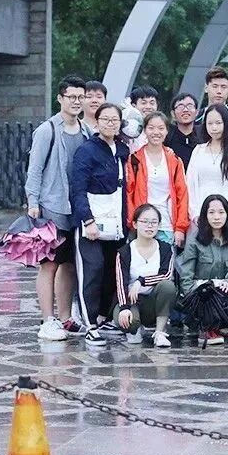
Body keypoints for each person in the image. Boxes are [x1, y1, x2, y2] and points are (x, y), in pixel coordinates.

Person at [25, 75, 94, 340]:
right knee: (49, 264)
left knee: (69, 265)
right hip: (52, 207)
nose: (76, 101)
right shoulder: (47, 130)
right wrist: (33, 203)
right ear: (60, 98)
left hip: (77, 209)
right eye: (71, 97)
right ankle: (47, 320)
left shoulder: (87, 131)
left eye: (80, 97)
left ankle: (66, 318)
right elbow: (34, 170)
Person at [70, 102, 130, 347]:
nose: (110, 123)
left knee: (111, 272)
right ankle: (89, 324)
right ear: (97, 122)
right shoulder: (87, 151)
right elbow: (78, 188)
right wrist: (88, 220)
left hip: (117, 225)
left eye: (115, 119)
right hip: (92, 225)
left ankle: (104, 318)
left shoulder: (122, 150)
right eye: (105, 119)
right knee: (91, 271)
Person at [176, 194, 228, 344]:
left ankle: (218, 325)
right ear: (205, 215)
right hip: (200, 296)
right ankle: (206, 329)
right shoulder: (195, 241)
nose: (217, 217)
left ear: (227, 215)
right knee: (209, 297)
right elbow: (186, 276)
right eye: (211, 212)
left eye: (221, 212)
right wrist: (198, 294)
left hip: (223, 295)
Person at [112, 203, 176, 348]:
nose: (149, 226)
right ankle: (134, 329)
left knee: (168, 286)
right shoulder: (125, 251)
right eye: (145, 221)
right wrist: (124, 307)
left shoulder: (165, 249)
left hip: (153, 300)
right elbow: (120, 283)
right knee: (129, 322)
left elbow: (166, 275)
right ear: (135, 224)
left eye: (154, 222)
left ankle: (160, 332)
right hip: (131, 300)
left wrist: (141, 281)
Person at [186, 103, 228, 240]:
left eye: (218, 123)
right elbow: (190, 185)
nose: (214, 128)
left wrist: (220, 213)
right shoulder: (198, 151)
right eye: (210, 123)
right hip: (199, 218)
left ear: (226, 124)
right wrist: (196, 213)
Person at [125, 112, 189, 248]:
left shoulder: (174, 160)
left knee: (165, 260)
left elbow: (182, 195)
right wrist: (132, 221)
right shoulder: (135, 159)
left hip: (166, 224)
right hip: (142, 223)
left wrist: (180, 227)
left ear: (166, 131)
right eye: (151, 128)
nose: (156, 132)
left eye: (161, 128)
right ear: (144, 130)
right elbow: (129, 192)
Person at [164, 92, 199, 169]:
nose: (185, 110)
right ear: (173, 114)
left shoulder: (204, 136)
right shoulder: (166, 137)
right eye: (180, 106)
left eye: (190, 106)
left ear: (197, 112)